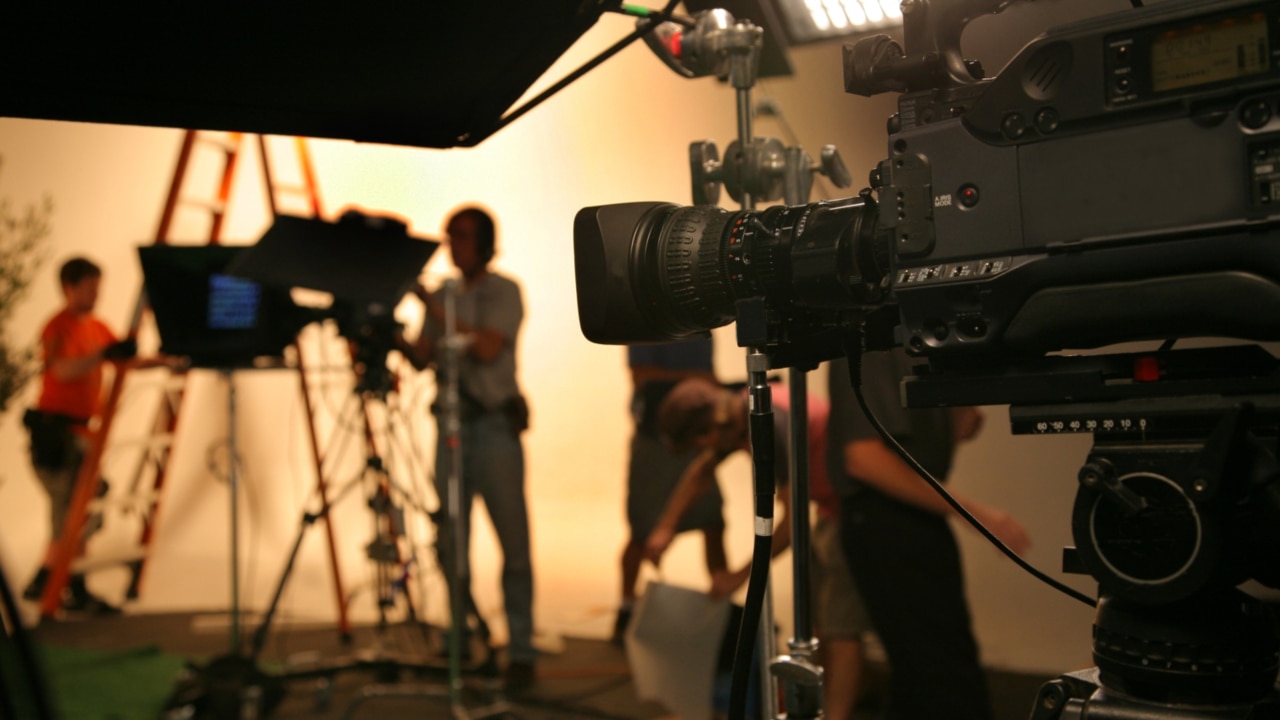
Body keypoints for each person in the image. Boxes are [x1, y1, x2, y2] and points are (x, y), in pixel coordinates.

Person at [647, 377, 872, 719]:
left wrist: (739, 576)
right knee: (822, 623)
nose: (702, 449)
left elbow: (792, 521)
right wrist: (665, 528)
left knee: (841, 627)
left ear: (710, 429)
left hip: (857, 508)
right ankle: (825, 706)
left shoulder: (773, 423)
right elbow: (702, 471)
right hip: (832, 507)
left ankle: (837, 713)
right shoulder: (739, 412)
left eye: (698, 441)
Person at [826, 350, 1031, 720]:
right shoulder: (871, 345)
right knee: (937, 671)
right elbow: (863, 457)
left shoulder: (905, 344)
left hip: (910, 522)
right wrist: (972, 510)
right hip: (886, 520)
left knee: (932, 670)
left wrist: (957, 410)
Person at [398, 205, 536, 692]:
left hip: (495, 429)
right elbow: (422, 356)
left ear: (484, 242)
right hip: (451, 429)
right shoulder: (444, 296)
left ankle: (521, 647)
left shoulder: (504, 291)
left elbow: (486, 348)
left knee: (513, 545)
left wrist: (430, 306)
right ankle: (460, 636)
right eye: (450, 236)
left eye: (462, 237)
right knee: (449, 540)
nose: (453, 246)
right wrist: (386, 327)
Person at [22, 256, 136, 615]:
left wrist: (167, 359)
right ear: (69, 288)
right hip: (57, 434)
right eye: (89, 286)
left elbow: (121, 357)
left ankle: (55, 581)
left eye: (98, 285)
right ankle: (61, 586)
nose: (96, 293)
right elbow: (62, 370)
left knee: (85, 506)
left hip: (84, 434)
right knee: (70, 512)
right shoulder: (58, 328)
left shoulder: (97, 327)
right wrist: (103, 354)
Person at [614, 338, 727, 644]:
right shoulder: (647, 323)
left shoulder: (702, 323)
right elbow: (642, 375)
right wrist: (697, 379)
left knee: (712, 521)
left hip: (697, 433)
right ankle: (625, 609)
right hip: (655, 436)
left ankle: (722, 602)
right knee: (641, 530)